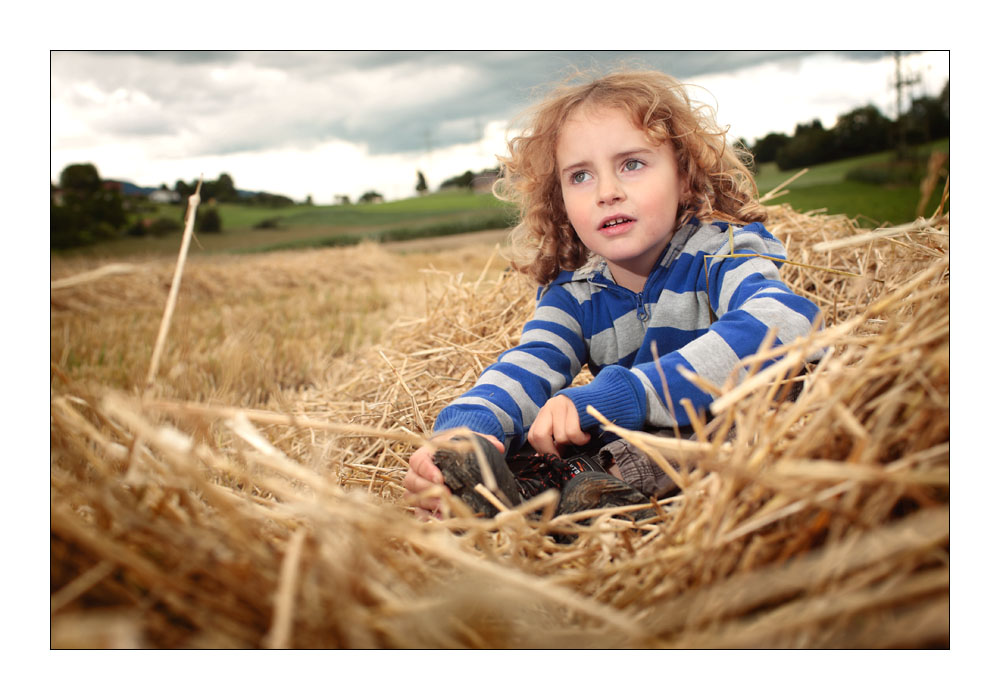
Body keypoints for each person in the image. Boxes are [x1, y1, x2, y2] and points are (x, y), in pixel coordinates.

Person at [403, 69, 821, 520]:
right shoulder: (575, 293)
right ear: (560, 200)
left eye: (632, 164)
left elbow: (787, 324)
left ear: (685, 178)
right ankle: (521, 493)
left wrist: (626, 395)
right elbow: (527, 365)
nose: (607, 192)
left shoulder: (722, 252)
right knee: (528, 434)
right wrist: (467, 431)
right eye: (580, 176)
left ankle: (558, 499)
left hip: (720, 441)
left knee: (747, 408)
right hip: (620, 452)